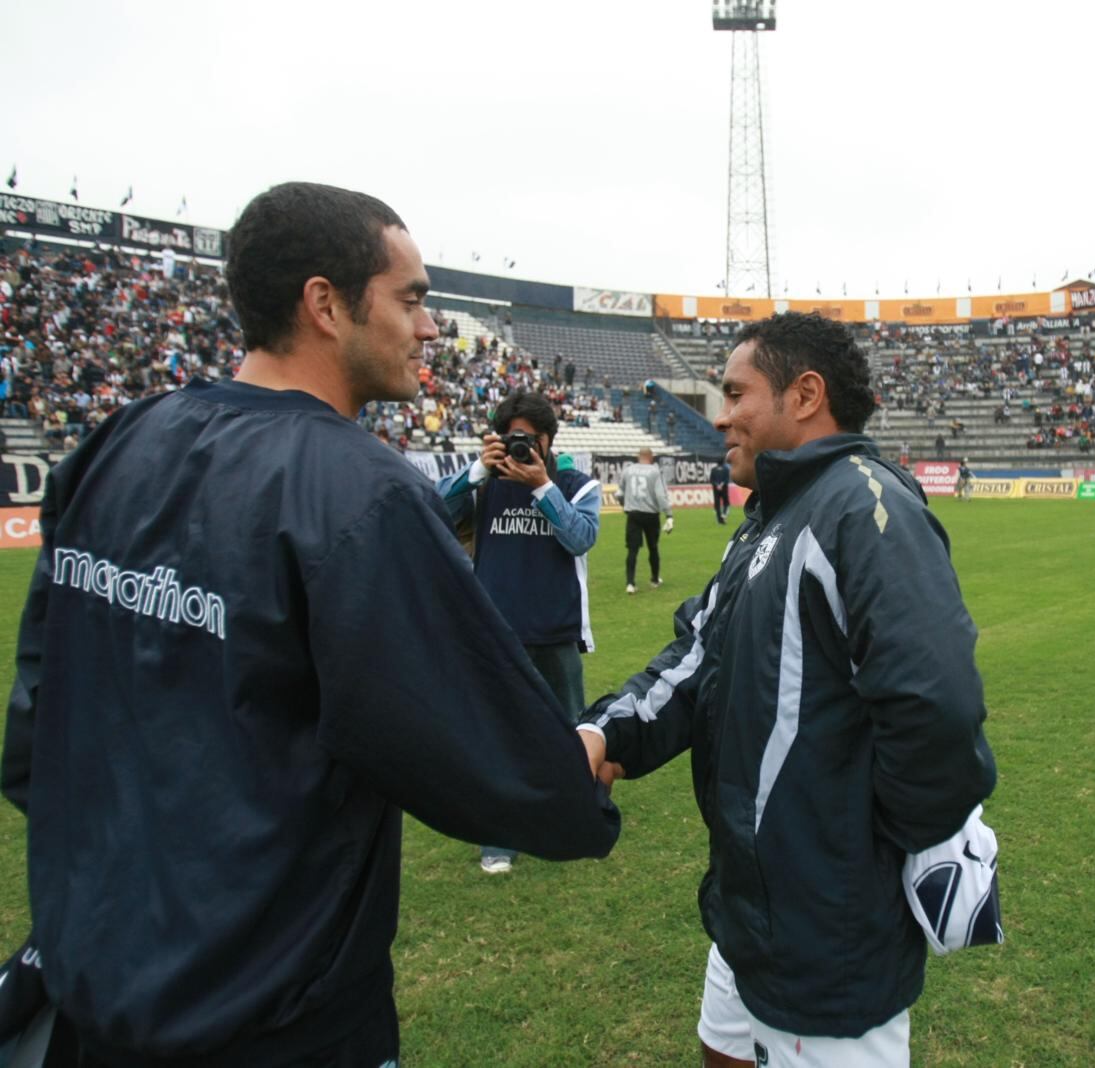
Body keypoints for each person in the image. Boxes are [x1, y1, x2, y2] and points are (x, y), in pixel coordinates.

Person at [0, 182, 619, 1065]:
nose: (431, 328)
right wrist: (576, 780)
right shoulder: (363, 494)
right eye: (411, 299)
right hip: (271, 1008)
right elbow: (481, 752)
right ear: (327, 304)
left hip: (90, 977)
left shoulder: (117, 442)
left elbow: (35, 726)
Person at [578, 312, 996, 1068]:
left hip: (828, 932)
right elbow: (697, 653)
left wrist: (857, 854)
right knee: (722, 1050)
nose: (723, 414)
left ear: (804, 394)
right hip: (751, 910)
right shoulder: (769, 517)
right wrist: (605, 734)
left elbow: (937, 711)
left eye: (736, 393)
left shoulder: (866, 509)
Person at [436, 389, 602, 874]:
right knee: (497, 734)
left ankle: (576, 819)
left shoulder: (575, 484)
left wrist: (539, 487)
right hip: (496, 633)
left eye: (528, 440)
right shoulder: (485, 486)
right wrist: (475, 472)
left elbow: (581, 537)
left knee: (571, 732)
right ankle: (499, 837)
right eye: (511, 438)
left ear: (548, 440)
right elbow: (430, 514)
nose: (519, 448)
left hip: (556, 630)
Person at [620, 446, 672, 593]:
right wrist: (669, 515)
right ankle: (654, 579)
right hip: (651, 514)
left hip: (633, 514)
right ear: (651, 456)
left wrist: (625, 506)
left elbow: (619, 493)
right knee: (653, 548)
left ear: (638, 456)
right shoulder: (655, 471)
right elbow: (661, 496)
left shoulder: (628, 470)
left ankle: (630, 583)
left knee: (632, 549)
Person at [709, 456, 732, 524]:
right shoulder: (726, 469)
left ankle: (719, 519)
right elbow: (727, 479)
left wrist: (717, 485)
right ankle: (724, 514)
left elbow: (711, 480)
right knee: (726, 502)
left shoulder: (713, 469)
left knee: (717, 504)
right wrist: (722, 484)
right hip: (724, 488)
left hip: (716, 489)